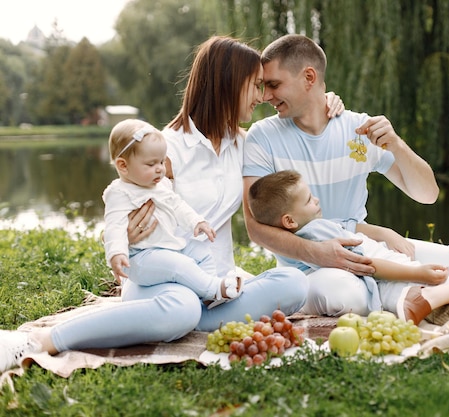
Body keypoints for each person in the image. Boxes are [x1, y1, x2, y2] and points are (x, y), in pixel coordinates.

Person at [0, 35, 344, 373]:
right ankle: (43, 339)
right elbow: (122, 206)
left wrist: (326, 101)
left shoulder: (245, 144)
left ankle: (191, 320)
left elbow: (298, 122)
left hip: (216, 287)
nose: (262, 97)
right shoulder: (166, 150)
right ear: (227, 84)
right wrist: (128, 237)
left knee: (293, 284)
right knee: (181, 309)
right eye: (255, 86)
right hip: (162, 284)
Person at [242, 34, 449, 318]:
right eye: (264, 87)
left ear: (309, 77)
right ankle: (408, 293)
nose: (265, 96)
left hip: (366, 248)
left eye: (274, 85)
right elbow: (256, 228)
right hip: (308, 267)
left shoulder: (359, 129)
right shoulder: (261, 138)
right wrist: (319, 253)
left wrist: (397, 145)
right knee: (348, 296)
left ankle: (408, 293)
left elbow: (427, 195)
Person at [247, 169, 449, 325]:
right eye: (309, 200)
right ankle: (430, 298)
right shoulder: (317, 232)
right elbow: (367, 265)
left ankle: (432, 302)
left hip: (390, 288)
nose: (317, 200)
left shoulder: (304, 233)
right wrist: (418, 273)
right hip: (396, 277)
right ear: (290, 220)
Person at [103, 118, 242, 306]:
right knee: (179, 265)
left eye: (161, 161)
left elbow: (178, 206)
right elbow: (114, 225)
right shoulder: (119, 193)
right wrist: (117, 253)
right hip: (140, 257)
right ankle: (214, 288)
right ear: (123, 166)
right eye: (151, 164)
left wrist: (196, 222)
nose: (160, 168)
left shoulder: (161, 185)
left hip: (168, 247)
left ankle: (208, 293)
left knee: (201, 251)